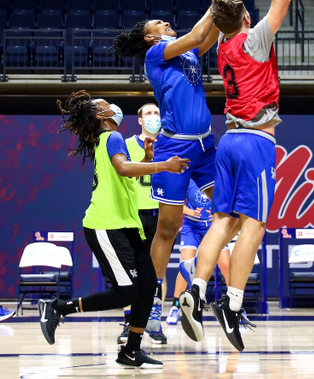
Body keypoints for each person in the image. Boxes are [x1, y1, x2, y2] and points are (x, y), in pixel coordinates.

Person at [180, 0, 304, 352]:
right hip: (255, 143)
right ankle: (231, 304)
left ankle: (195, 288)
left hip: (227, 139)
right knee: (255, 223)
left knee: (222, 221)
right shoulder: (255, 40)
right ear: (246, 19)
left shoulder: (224, 45)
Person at [111, 0, 227, 337]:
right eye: (159, 22)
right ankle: (151, 308)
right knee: (168, 229)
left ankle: (197, 291)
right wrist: (215, 1)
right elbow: (196, 32)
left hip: (206, 143)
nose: (166, 22)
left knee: (218, 215)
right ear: (150, 36)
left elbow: (208, 35)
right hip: (175, 145)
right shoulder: (156, 53)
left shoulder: (188, 53)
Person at [38, 90, 189, 370]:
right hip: (106, 225)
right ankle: (58, 308)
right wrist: (164, 165)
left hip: (127, 226)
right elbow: (122, 168)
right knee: (129, 291)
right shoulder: (113, 137)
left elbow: (127, 175)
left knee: (148, 287)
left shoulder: (106, 140)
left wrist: (145, 160)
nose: (113, 107)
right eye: (107, 105)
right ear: (101, 116)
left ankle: (132, 351)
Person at [117, 102, 168, 345]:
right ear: (139, 120)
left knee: (158, 270)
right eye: (148, 113)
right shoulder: (126, 145)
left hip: (161, 210)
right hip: (134, 212)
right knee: (132, 269)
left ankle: (154, 321)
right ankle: (130, 321)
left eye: (156, 113)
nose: (153, 117)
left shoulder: (169, 143)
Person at [166, 179, 230, 325]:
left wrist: (218, 213)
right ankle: (176, 307)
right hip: (191, 227)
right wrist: (192, 212)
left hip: (213, 227)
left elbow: (228, 201)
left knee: (226, 265)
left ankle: (235, 307)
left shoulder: (218, 178)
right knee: (186, 266)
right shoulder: (188, 179)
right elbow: (177, 204)